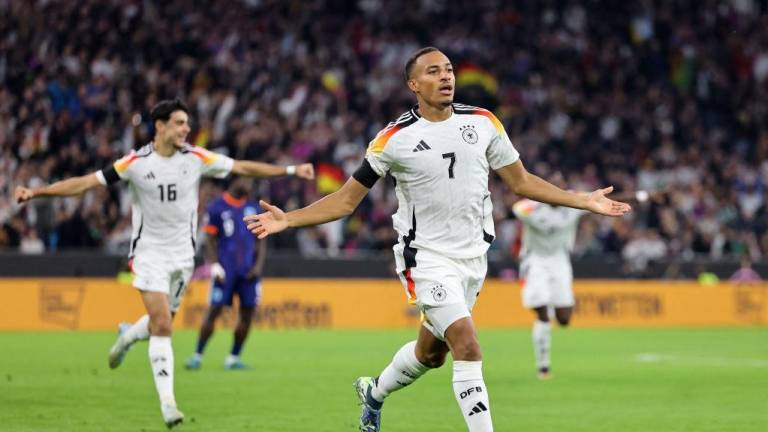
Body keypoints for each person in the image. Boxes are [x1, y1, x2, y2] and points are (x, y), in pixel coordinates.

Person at [244, 47, 631, 432]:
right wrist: (289, 220)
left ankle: (374, 393)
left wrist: (581, 200)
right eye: (433, 71)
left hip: (472, 259)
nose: (446, 77)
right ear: (414, 84)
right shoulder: (393, 139)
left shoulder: (483, 122)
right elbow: (346, 201)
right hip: (425, 258)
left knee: (430, 356)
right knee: (468, 345)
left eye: (448, 70)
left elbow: (521, 181)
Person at [14, 98, 314, 429]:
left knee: (161, 322)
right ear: (160, 126)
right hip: (148, 254)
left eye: (187, 124)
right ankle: (168, 403)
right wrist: (38, 192)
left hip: (182, 257)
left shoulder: (196, 158)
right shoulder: (135, 163)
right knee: (162, 324)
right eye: (180, 123)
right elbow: (85, 183)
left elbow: (242, 166)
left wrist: (290, 170)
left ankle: (128, 337)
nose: (187, 129)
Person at [185, 177, 266, 370]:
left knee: (247, 314)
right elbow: (209, 239)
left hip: (248, 271)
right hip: (225, 271)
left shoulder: (254, 207)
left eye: (251, 182)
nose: (248, 184)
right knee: (214, 310)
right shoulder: (217, 207)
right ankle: (197, 355)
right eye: (245, 180)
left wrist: (258, 266)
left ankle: (233, 357)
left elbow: (262, 240)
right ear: (235, 180)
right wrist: (214, 265)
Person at [512, 172, 586, 380]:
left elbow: (599, 199)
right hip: (535, 260)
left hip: (559, 260)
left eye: (559, 188)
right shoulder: (531, 207)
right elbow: (517, 207)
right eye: (551, 188)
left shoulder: (574, 202)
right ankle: (543, 366)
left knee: (564, 319)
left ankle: (549, 310)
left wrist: (642, 196)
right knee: (542, 313)